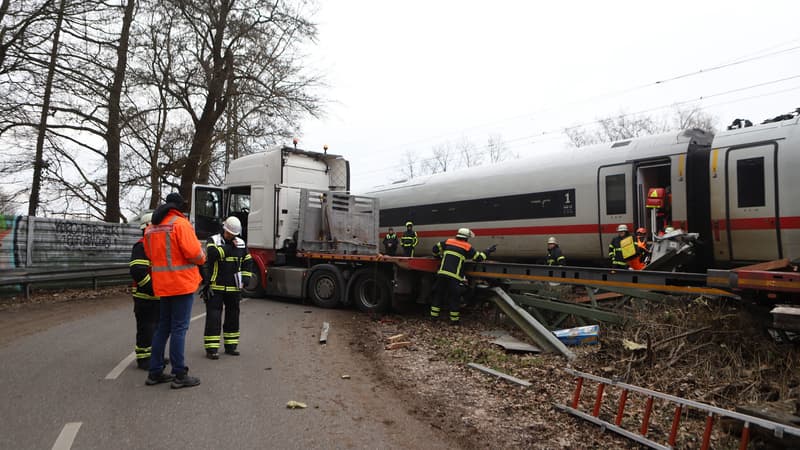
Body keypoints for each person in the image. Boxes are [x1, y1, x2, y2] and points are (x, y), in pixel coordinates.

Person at [143, 192, 206, 389]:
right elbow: (195, 253)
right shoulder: (180, 224)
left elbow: (149, 253)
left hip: (163, 284)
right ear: (178, 207)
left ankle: (155, 372)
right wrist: (202, 259)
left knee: (163, 327)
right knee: (179, 329)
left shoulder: (151, 228)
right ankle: (179, 373)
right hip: (181, 284)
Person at [202, 216, 254, 359]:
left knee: (233, 318)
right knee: (214, 318)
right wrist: (230, 247)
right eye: (229, 233)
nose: (231, 236)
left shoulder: (241, 244)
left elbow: (248, 261)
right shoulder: (213, 240)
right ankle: (212, 349)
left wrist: (246, 278)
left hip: (234, 288)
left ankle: (231, 346)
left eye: (233, 235)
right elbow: (213, 255)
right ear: (224, 229)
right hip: (216, 287)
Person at [430, 228, 489, 325]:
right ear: (466, 238)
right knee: (454, 298)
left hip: (442, 274)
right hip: (454, 277)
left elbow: (434, 249)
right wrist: (488, 251)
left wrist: (437, 256)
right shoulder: (466, 247)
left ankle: (433, 318)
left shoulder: (447, 242)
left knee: (438, 295)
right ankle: (454, 321)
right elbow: (479, 258)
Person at [129, 212, 160, 370]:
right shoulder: (141, 246)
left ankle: (154, 355)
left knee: (156, 328)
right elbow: (138, 271)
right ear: (148, 227)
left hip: (157, 296)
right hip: (144, 296)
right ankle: (143, 359)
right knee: (146, 328)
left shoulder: (154, 245)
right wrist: (152, 288)